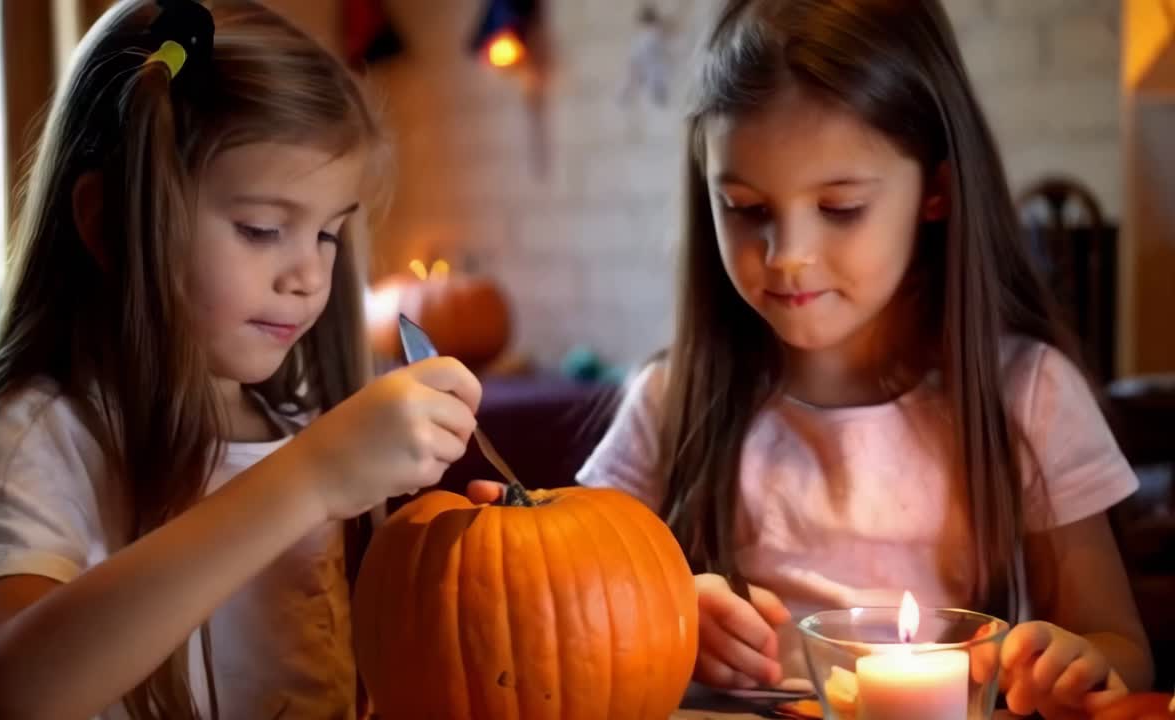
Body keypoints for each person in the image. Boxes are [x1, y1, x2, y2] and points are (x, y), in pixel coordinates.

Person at [474, 1, 1152, 716]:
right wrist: (662, 620)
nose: (787, 257)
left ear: (936, 193)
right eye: (746, 208)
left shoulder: (1028, 395)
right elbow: (563, 626)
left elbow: (1121, 648)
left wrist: (1077, 666)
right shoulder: (670, 402)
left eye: (840, 207)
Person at [0, 2, 480, 718]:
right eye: (261, 229)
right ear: (109, 222)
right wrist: (312, 477)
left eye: (328, 233)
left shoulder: (301, 411)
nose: (309, 276)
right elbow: (23, 690)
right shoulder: (45, 433)